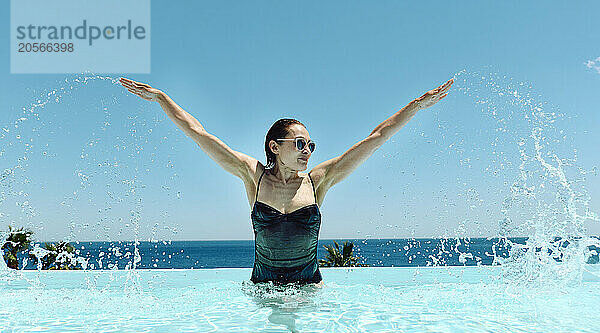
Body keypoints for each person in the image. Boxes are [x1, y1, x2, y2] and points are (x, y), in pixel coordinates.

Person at [119, 77, 453, 286]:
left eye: (310, 145)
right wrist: (162, 98)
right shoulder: (253, 175)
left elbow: (376, 137)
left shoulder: (319, 180)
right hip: (261, 289)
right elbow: (199, 134)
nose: (307, 150)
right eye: (299, 143)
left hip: (310, 290)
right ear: (274, 147)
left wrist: (416, 106)